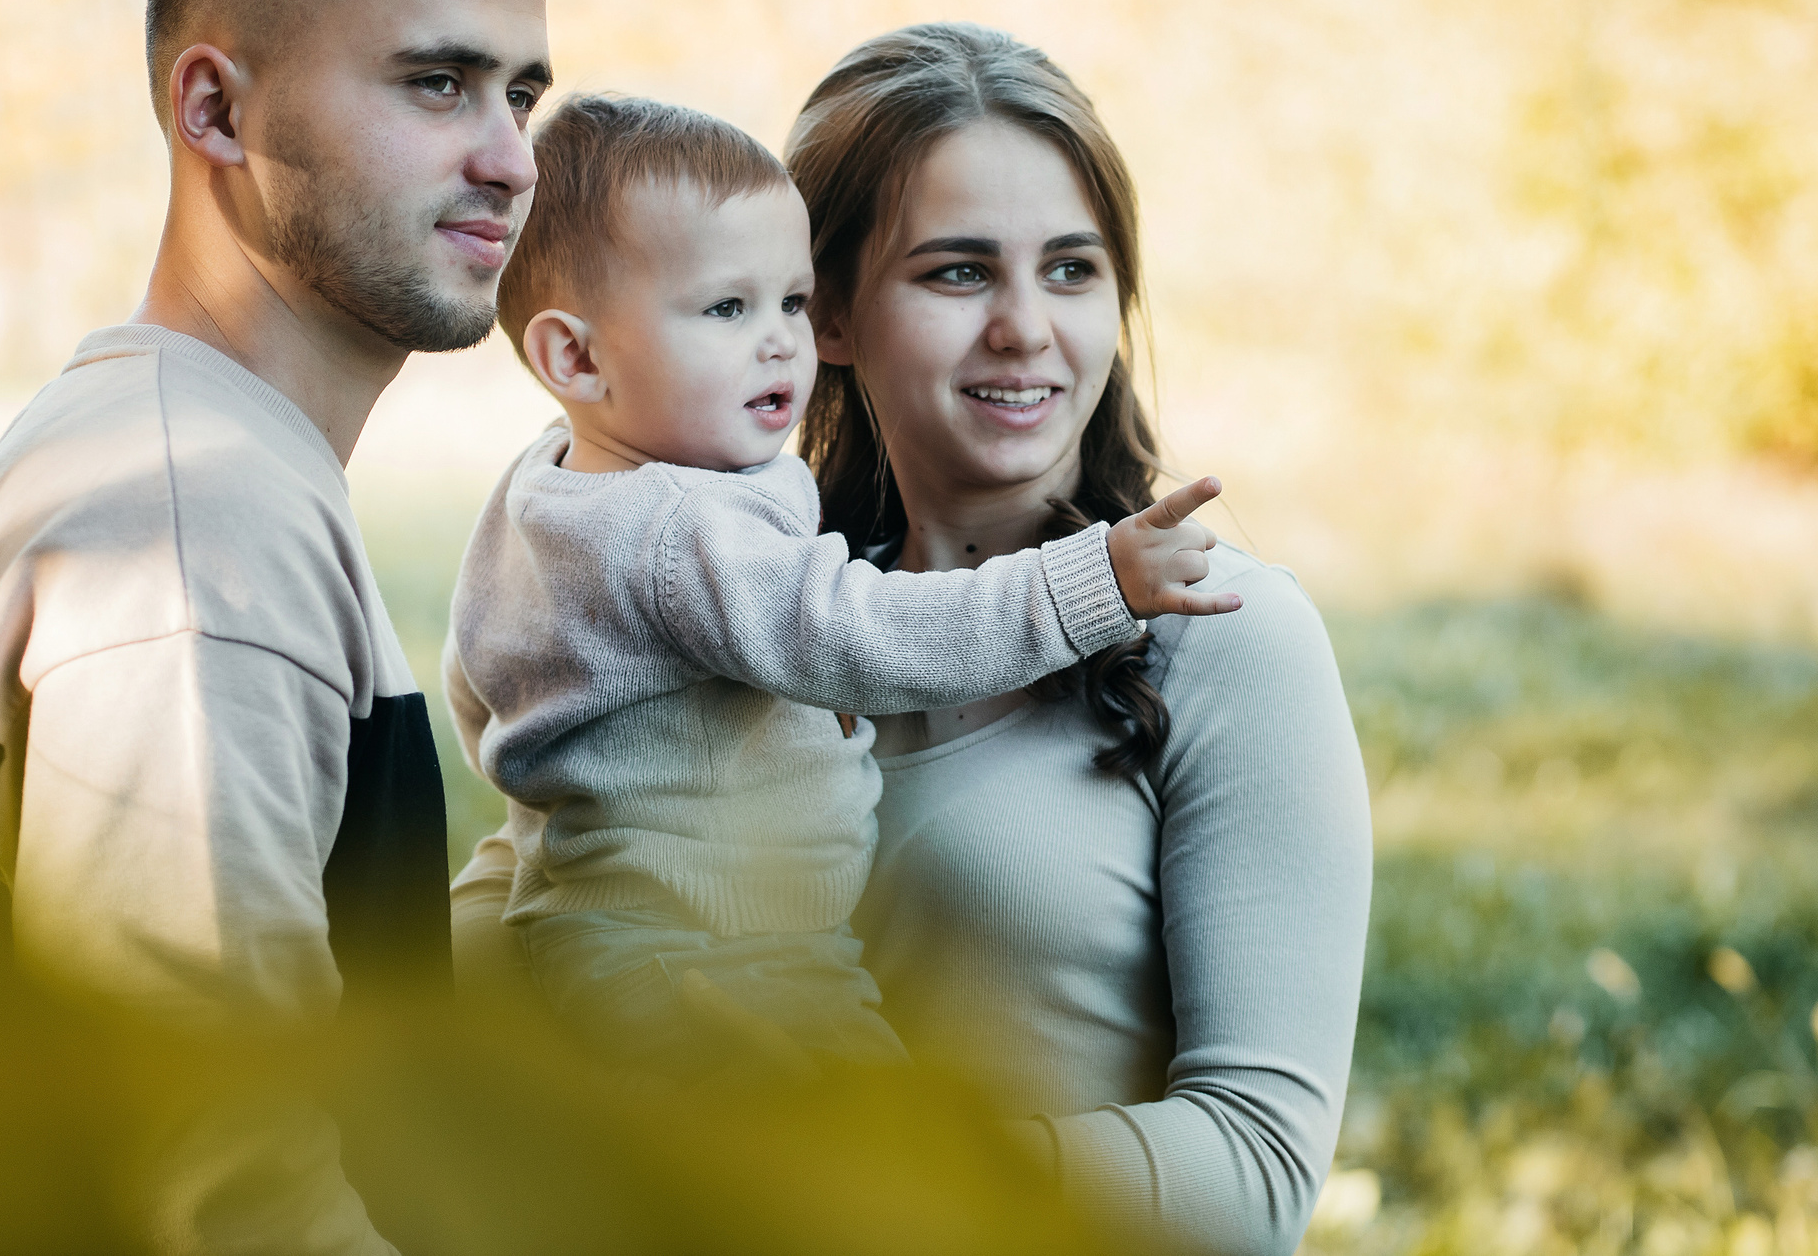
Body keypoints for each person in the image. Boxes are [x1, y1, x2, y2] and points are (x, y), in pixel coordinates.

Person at [453, 22, 1371, 1256]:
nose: (1024, 329)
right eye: (955, 272)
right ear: (824, 312)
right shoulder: (749, 609)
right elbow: (540, 869)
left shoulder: (1222, 634)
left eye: (1071, 269)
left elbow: (1256, 1176)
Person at [0, 0, 552, 1256]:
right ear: (216, 111)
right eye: (437, 83)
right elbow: (228, 1187)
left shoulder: (194, 451)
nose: (508, 159)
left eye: (521, 96)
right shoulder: (195, 524)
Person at [439, 93, 1236, 1081]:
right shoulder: (681, 530)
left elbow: (481, 690)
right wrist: (1095, 580)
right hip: (720, 956)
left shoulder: (548, 486)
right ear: (576, 356)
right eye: (726, 308)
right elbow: (859, 637)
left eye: (789, 301)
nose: (780, 341)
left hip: (618, 940)